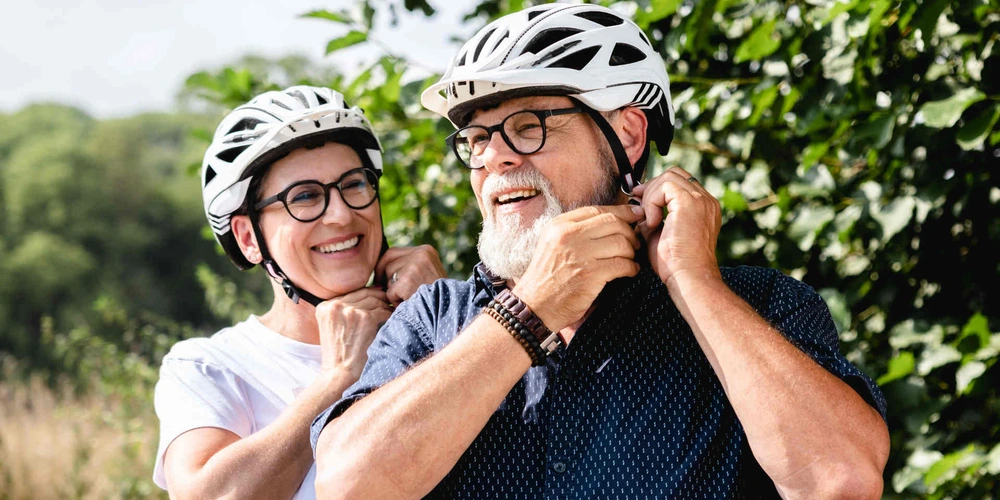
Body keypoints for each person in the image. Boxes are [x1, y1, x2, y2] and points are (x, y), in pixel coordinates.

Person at [311, 4, 889, 499]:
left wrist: (694, 282)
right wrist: (529, 310)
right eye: (479, 138)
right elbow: (347, 486)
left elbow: (840, 480)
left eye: (527, 125)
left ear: (629, 136)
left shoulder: (760, 303)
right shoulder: (433, 317)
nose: (495, 159)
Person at [151, 85, 446, 499]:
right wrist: (339, 378)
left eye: (354, 184)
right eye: (304, 197)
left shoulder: (436, 321)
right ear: (249, 238)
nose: (342, 214)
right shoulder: (210, 367)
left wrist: (444, 316)